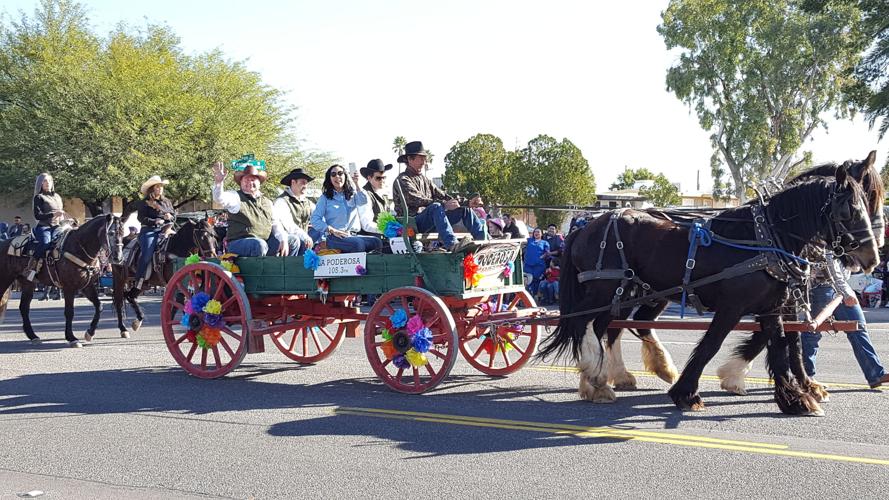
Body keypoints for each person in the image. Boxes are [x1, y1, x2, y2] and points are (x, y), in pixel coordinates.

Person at [802, 249, 889, 389]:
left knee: (858, 327)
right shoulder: (831, 234)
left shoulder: (853, 238)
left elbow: (851, 267)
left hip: (840, 286)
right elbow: (830, 265)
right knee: (812, 332)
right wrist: (846, 292)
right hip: (821, 285)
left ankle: (875, 374)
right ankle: (805, 377)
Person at [393, 140, 485, 251]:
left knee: (465, 209)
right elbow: (416, 199)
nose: (424, 161)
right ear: (410, 159)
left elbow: (444, 196)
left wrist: (466, 202)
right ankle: (453, 245)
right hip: (412, 223)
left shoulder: (425, 180)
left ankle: (484, 242)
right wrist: (444, 205)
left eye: (424, 158)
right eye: (420, 158)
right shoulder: (403, 179)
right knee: (436, 206)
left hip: (431, 220)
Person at [212, 155, 302, 257]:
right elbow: (220, 198)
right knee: (259, 244)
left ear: (259, 182)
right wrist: (219, 183)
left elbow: (276, 225)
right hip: (239, 244)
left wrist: (283, 240)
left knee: (293, 240)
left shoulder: (267, 202)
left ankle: (285, 271)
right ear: (241, 182)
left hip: (264, 243)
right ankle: (261, 272)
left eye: (253, 179)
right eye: (246, 179)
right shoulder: (235, 197)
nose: (250, 182)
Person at [311, 164, 382, 253]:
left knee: (376, 242)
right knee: (358, 244)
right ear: (330, 179)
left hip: (353, 235)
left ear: (345, 176)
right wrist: (332, 230)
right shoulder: (325, 198)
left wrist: (356, 183)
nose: (337, 176)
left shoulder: (352, 193)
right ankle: (357, 267)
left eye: (340, 173)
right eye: (333, 174)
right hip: (335, 237)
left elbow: (363, 202)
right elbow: (315, 220)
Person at [135, 175, 176, 288]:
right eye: (157, 186)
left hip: (166, 229)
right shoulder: (144, 202)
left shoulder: (167, 202)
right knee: (147, 253)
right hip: (149, 230)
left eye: (161, 186)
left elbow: (174, 215)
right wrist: (155, 221)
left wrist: (171, 216)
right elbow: (141, 218)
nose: (160, 189)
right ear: (152, 189)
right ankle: (140, 279)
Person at [26, 173, 65, 281]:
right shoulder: (39, 197)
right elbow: (37, 215)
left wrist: (67, 221)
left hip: (57, 226)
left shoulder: (57, 197)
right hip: (44, 226)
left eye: (49, 181)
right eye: (45, 181)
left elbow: (60, 215)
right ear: (40, 184)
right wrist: (53, 214)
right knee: (45, 243)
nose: (47, 183)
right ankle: (32, 267)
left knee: (68, 241)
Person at [273, 168, 315, 249]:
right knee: (295, 240)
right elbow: (289, 226)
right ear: (293, 182)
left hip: (305, 238)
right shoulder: (281, 201)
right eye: (303, 182)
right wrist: (305, 237)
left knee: (321, 230)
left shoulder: (307, 202)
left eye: (306, 183)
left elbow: (318, 216)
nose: (305, 186)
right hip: (288, 241)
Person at [361, 159, 393, 223]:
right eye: (378, 178)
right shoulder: (364, 195)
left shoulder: (385, 193)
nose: (382, 181)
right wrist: (386, 229)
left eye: (383, 178)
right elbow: (367, 224)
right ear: (369, 178)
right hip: (372, 232)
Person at [523, 228, 550, 298]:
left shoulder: (545, 242)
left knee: (537, 280)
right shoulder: (529, 240)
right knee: (528, 281)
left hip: (539, 265)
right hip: (528, 265)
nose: (536, 233)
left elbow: (547, 252)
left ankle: (536, 297)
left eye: (538, 232)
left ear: (541, 234)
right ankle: (527, 297)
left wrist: (542, 256)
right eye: (535, 232)